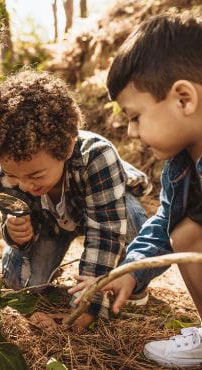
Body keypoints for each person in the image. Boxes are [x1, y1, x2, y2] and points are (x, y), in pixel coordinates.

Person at [0, 70, 151, 329]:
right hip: (50, 226)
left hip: (104, 212)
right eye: (15, 176)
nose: (25, 185)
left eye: (36, 174)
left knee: (132, 218)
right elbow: (11, 219)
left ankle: (133, 281)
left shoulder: (97, 156)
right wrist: (17, 235)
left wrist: (87, 304)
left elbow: (105, 232)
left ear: (67, 147)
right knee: (19, 283)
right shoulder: (9, 171)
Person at [90, 12, 202, 367]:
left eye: (135, 117)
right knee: (184, 232)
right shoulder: (180, 167)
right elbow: (163, 222)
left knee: (189, 234)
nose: (133, 132)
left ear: (184, 99)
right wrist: (131, 271)